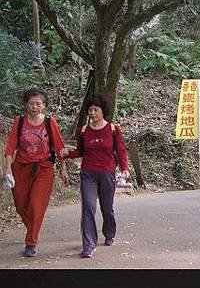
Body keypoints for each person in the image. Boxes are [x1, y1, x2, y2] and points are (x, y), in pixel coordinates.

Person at [4, 87, 68, 257]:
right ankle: (33, 227)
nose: (34, 107)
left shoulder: (49, 121)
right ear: (26, 104)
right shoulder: (19, 121)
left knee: (36, 205)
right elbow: (11, 146)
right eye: (31, 104)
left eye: (38, 104)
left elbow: (59, 147)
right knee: (21, 205)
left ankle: (31, 242)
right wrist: (7, 167)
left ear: (43, 105)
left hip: (44, 168)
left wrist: (63, 169)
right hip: (21, 167)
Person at [65, 95, 129, 258]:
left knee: (107, 208)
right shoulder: (84, 130)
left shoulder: (113, 129)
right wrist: (66, 154)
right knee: (88, 207)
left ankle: (109, 233)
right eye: (90, 109)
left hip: (107, 173)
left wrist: (124, 168)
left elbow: (120, 151)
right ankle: (88, 244)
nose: (92, 113)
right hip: (88, 173)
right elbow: (80, 151)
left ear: (103, 111)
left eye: (95, 110)